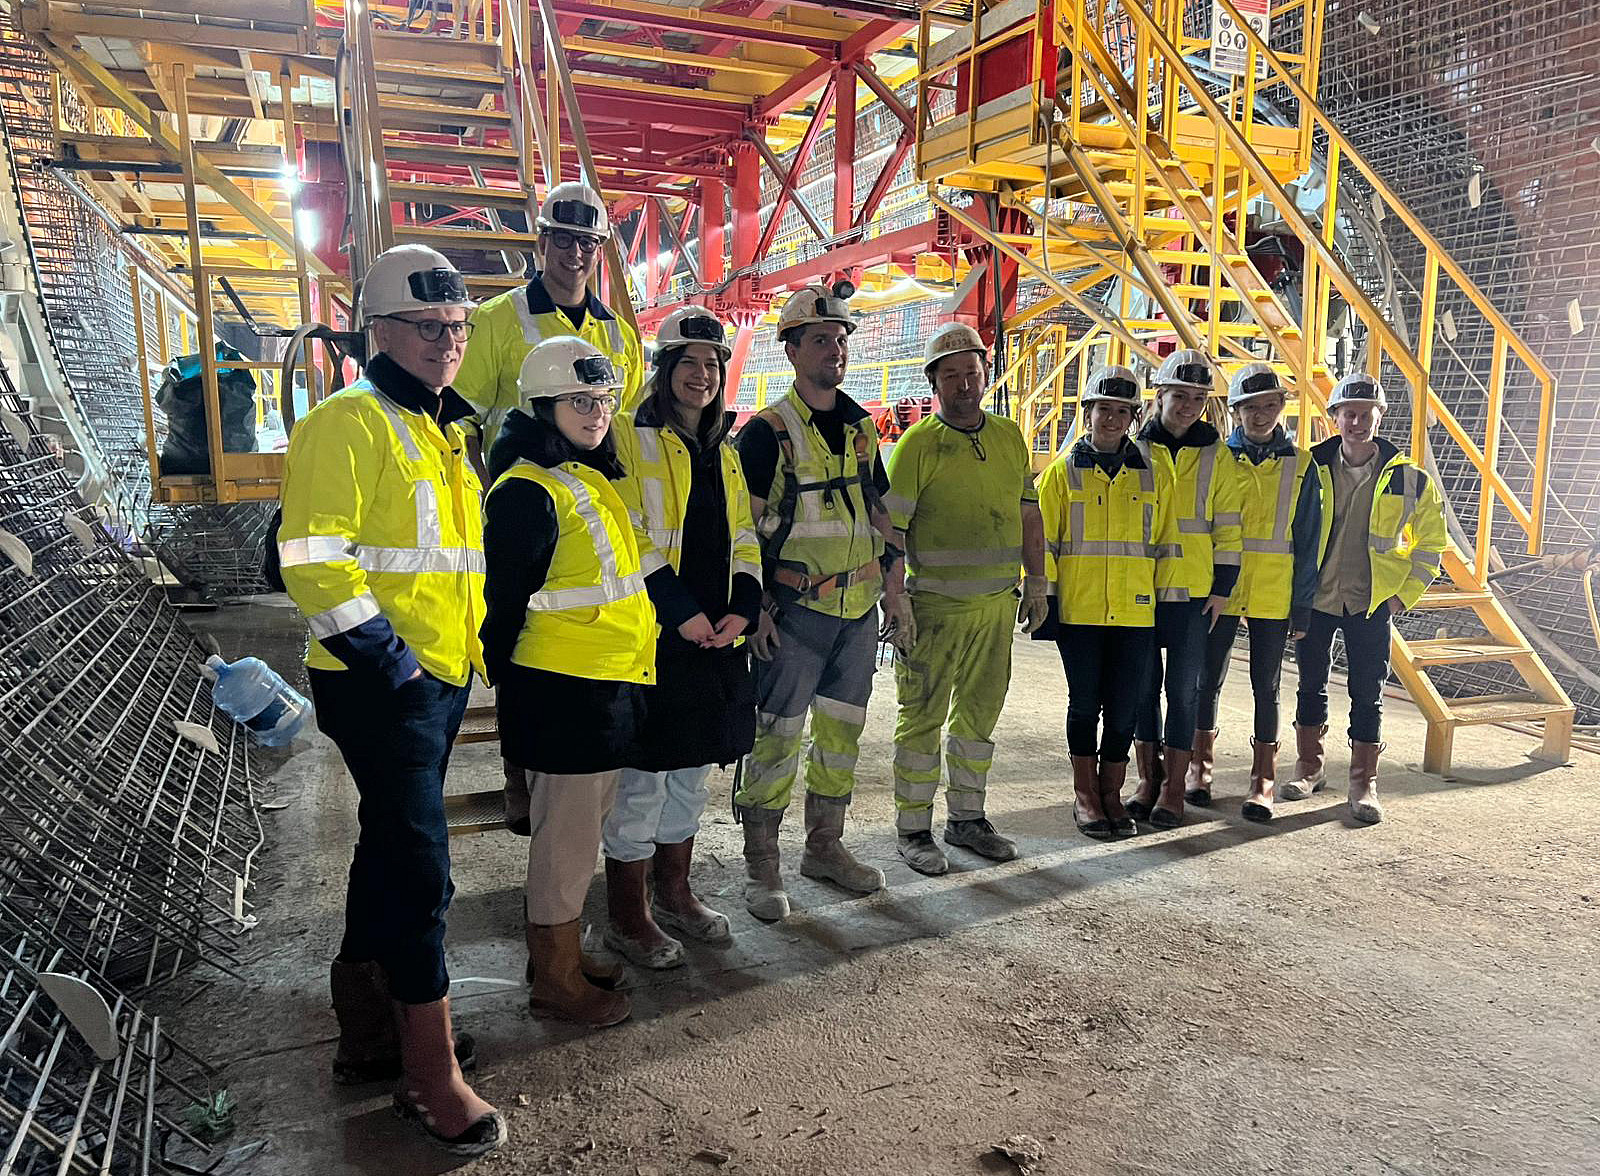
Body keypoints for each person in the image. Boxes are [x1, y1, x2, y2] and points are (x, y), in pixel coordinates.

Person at [278, 244, 504, 1156]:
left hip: (435, 678)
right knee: (422, 870)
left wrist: (459, 656)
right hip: (380, 682)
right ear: (380, 329)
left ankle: (372, 1033)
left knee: (388, 848)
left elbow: (448, 561)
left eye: (456, 328)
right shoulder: (350, 421)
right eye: (427, 327)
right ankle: (428, 1075)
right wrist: (391, 658)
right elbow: (309, 556)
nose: (446, 343)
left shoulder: (442, 426)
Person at [479, 336, 667, 1029]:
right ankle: (555, 980)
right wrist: (509, 708)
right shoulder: (527, 490)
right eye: (579, 401)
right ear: (540, 406)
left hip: (601, 685)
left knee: (578, 838)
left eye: (604, 401)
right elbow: (502, 609)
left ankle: (560, 954)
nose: (595, 413)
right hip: (562, 692)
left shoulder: (582, 477)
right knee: (563, 845)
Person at [732, 283, 911, 919]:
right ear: (790, 349)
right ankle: (762, 866)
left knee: (842, 735)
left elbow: (881, 515)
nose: (835, 350)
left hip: (858, 613)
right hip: (795, 616)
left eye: (841, 340)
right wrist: (752, 608)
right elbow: (744, 532)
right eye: (820, 340)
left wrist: (896, 590)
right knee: (776, 737)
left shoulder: (862, 427)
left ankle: (824, 847)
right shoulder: (767, 433)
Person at [601, 308, 762, 966]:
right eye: (689, 362)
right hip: (657, 636)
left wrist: (745, 604)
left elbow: (745, 531)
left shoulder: (723, 448)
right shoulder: (625, 438)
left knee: (692, 773)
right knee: (643, 779)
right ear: (664, 370)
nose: (702, 374)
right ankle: (627, 915)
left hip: (717, 636)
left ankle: (675, 892)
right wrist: (676, 608)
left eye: (712, 364)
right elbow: (625, 532)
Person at [882, 322, 1047, 875]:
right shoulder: (917, 446)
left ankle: (967, 820)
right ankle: (912, 827)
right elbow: (892, 531)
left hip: (996, 608)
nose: (963, 384)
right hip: (933, 609)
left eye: (971, 374)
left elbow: (1029, 512)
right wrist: (895, 598)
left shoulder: (1007, 437)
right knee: (922, 719)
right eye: (950, 375)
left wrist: (1038, 581)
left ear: (985, 376)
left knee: (978, 719)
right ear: (934, 382)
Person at [1283, 372, 1447, 824]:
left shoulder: (1409, 479)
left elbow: (1432, 544)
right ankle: (1309, 768)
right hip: (1316, 598)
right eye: (1348, 414)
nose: (1356, 422)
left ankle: (1363, 782)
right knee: (1310, 683)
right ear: (1333, 417)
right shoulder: (1307, 469)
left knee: (1366, 692)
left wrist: (1401, 597)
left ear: (1379, 417)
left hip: (1371, 601)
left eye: (1365, 414)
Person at [1035, 365, 1169, 840]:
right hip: (1080, 611)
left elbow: (1167, 543)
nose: (1111, 419)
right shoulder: (1060, 474)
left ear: (1133, 417)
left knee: (1125, 706)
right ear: (1087, 412)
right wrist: (1046, 606)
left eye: (1121, 411)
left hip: (1136, 612)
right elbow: (1043, 544)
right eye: (1103, 410)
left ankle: (1112, 793)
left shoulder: (1154, 475)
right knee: (1084, 704)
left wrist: (1167, 608)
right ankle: (1086, 794)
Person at [1196, 363, 1319, 821]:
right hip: (1221, 591)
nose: (1261, 415)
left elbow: (1310, 542)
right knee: (1207, 680)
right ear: (1236, 411)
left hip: (1273, 592)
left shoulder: (1302, 466)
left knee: (1266, 687)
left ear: (1281, 408)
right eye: (1251, 408)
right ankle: (1199, 770)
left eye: (1270, 406)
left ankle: (1261, 782)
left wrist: (1302, 605)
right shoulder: (1216, 459)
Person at [1127, 349, 1242, 828]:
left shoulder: (1218, 457)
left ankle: (1174, 790)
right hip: (1142, 590)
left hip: (1196, 595)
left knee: (1185, 690)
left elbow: (1230, 527)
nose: (1189, 405)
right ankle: (1147, 781)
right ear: (1161, 396)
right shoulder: (1134, 451)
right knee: (1142, 688)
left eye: (1197, 397)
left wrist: (1222, 589)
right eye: (1180, 395)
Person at [455, 181, 645, 461]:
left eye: (587, 242)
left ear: (600, 251)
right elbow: (460, 421)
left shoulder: (622, 335)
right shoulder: (494, 320)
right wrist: (484, 493)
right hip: (521, 494)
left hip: (598, 499)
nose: (576, 252)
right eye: (563, 238)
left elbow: (629, 430)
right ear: (543, 242)